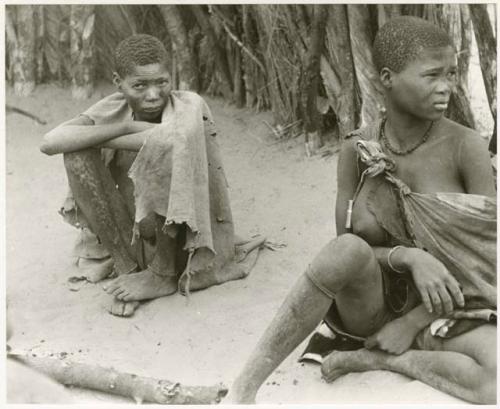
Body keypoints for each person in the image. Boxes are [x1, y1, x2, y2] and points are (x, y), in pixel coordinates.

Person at [227, 16, 496, 404]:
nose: (446, 88)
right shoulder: (358, 151)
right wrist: (410, 257)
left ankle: (377, 361)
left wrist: (411, 322)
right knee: (346, 250)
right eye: (432, 75)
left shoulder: (465, 148)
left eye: (452, 74)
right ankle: (243, 390)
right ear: (387, 78)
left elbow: (487, 262)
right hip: (368, 308)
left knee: (497, 382)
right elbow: (347, 254)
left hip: (447, 307)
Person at [41, 34, 261, 317]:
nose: (153, 94)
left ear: (173, 77)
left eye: (162, 82)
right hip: (134, 239)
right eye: (139, 85)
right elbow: (50, 142)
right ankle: (127, 268)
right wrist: (123, 128)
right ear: (118, 81)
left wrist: (98, 136)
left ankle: (162, 274)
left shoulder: (189, 105)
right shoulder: (114, 107)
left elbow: (169, 140)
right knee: (77, 154)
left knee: (161, 148)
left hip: (184, 244)